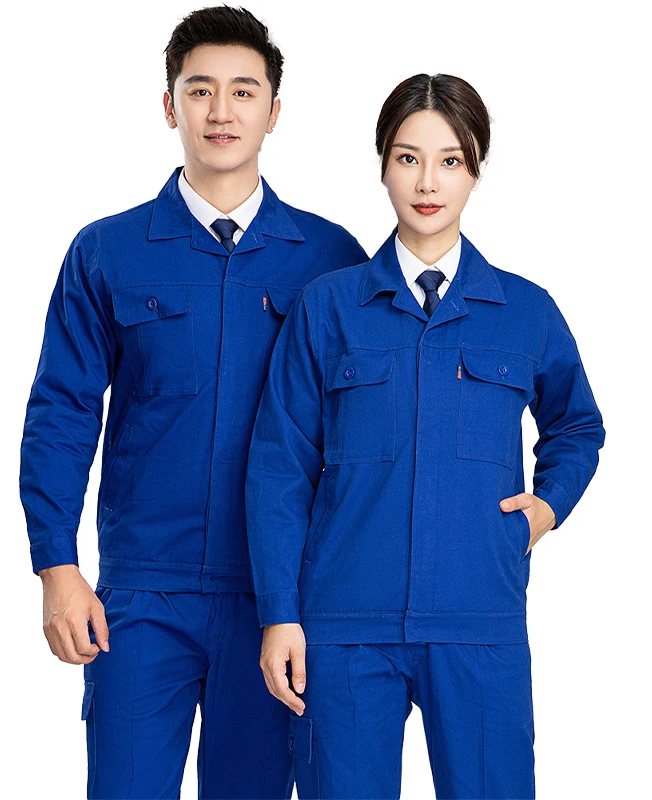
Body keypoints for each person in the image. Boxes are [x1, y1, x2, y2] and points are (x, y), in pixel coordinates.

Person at [19, 7, 367, 799]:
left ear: (274, 112)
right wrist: (57, 566)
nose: (221, 110)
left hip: (278, 598)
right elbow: (62, 413)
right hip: (143, 595)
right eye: (200, 89)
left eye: (244, 91)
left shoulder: (332, 259)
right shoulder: (107, 251)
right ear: (169, 105)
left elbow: (366, 432)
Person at [245, 74, 605, 799]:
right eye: (408, 158)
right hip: (342, 625)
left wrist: (547, 505)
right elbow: (280, 466)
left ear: (476, 170)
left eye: (450, 160)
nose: (428, 182)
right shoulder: (328, 307)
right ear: (383, 164)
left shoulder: (525, 310)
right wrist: (280, 613)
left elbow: (577, 424)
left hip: (479, 617)